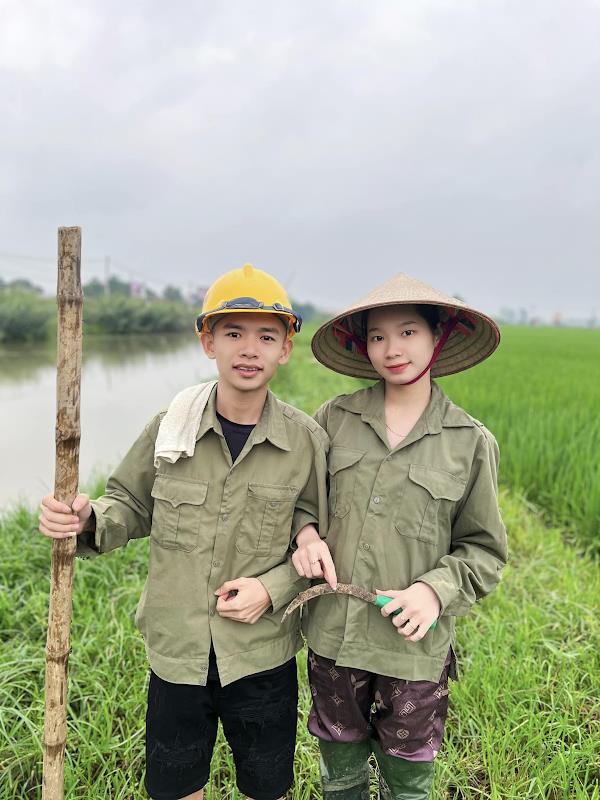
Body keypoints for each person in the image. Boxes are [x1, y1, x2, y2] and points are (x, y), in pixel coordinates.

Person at [39, 264, 330, 800]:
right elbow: (127, 501)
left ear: (286, 348)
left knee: (267, 787)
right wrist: (85, 519)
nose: (249, 349)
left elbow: (315, 540)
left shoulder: (306, 442)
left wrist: (274, 588)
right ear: (207, 342)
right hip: (178, 651)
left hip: (261, 653)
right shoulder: (171, 427)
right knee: (176, 787)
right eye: (233, 333)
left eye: (266, 336)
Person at [291, 273, 508, 800]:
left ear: (438, 337)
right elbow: (302, 500)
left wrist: (435, 590)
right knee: (338, 767)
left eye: (408, 332)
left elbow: (484, 551)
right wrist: (306, 534)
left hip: (412, 647)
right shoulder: (335, 420)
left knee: (407, 776)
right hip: (335, 636)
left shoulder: (468, 441)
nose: (393, 349)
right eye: (379, 336)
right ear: (365, 347)